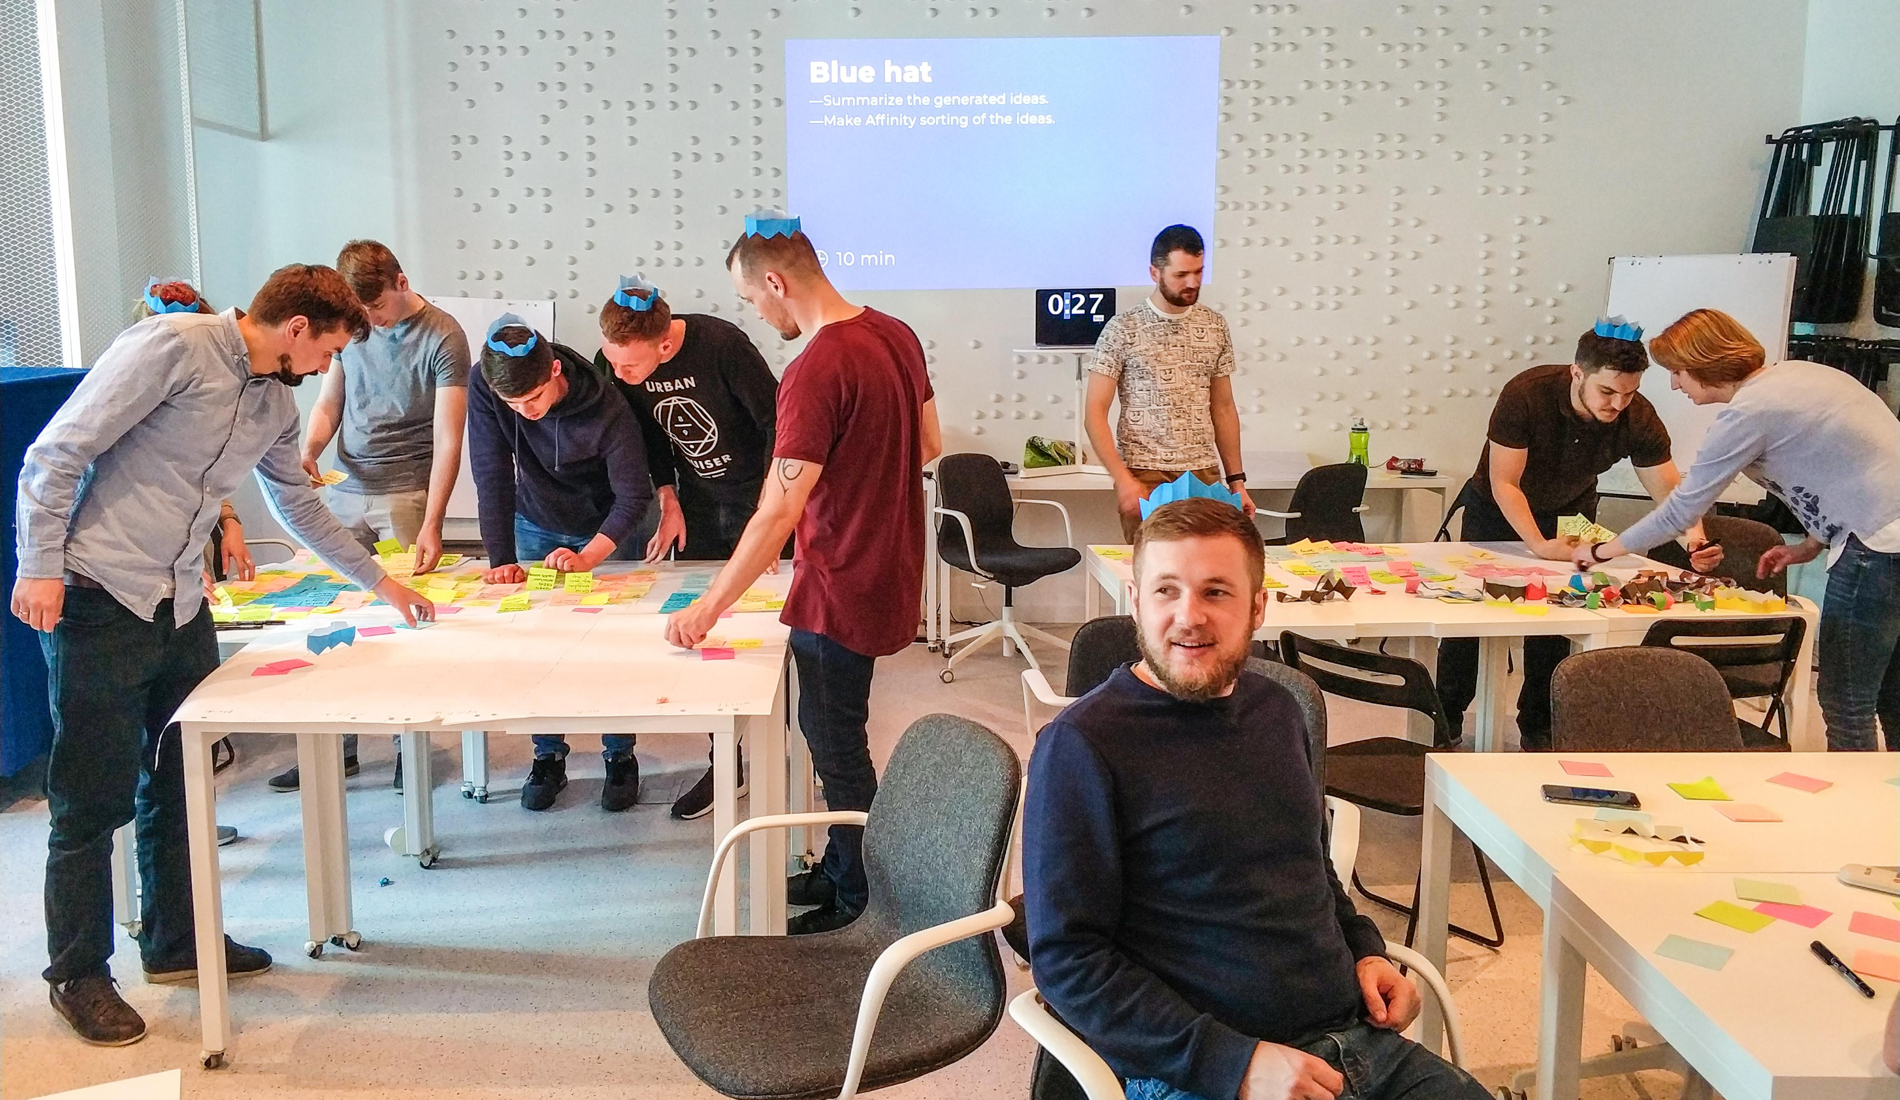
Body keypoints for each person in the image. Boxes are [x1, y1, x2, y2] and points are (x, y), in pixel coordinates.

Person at [12, 264, 435, 1047]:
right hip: (100, 594)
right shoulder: (173, 347)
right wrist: (38, 565)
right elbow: (57, 453)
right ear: (297, 328)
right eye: (326, 354)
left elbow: (297, 501)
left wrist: (382, 583)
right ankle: (78, 973)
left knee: (179, 783)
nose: (321, 374)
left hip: (179, 604)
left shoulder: (273, 398)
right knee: (89, 797)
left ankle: (175, 942)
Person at [1024, 498, 1489, 1100]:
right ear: (1136, 602)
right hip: (1202, 1068)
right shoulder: (1083, 745)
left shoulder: (1279, 711)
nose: (1188, 616)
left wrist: (1366, 953)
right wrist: (1235, 1065)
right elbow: (1067, 959)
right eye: (1166, 590)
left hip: (1352, 1039)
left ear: (1258, 607)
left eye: (1216, 592)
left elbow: (1307, 868)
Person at [663, 210, 941, 935]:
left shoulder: (814, 368)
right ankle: (843, 868)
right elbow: (930, 441)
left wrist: (708, 609)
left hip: (837, 584)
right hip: (886, 565)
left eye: (751, 297)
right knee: (831, 731)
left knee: (837, 746)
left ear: (778, 282)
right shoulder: (896, 334)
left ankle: (864, 902)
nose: (754, 310)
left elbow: (777, 514)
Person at [1572, 309, 1900, 752]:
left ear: (1704, 365)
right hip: (1883, 537)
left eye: (1677, 372)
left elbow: (1680, 510)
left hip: (1877, 550)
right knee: (1892, 695)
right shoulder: (1803, 375)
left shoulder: (1750, 412)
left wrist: (1599, 554)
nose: (1674, 385)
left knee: (1847, 702)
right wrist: (1811, 543)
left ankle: (1860, 814)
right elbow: (1854, 468)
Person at [1437, 321, 1719, 751]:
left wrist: (1694, 541)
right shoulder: (1527, 394)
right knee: (1470, 621)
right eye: (1608, 392)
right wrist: (1538, 545)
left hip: (1571, 511)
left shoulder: (1637, 416)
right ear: (1577, 374)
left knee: (1559, 618)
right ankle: (1446, 717)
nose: (1618, 404)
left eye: (1628, 393)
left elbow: (1670, 493)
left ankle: (1539, 725)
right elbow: (1505, 483)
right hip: (1497, 512)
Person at [264, 241, 470, 794]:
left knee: (410, 618)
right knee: (335, 616)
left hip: (405, 491)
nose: (370, 323)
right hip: (346, 486)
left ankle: (411, 746)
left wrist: (432, 518)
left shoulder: (444, 334)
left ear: (401, 282)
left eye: (376, 310)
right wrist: (308, 449)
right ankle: (337, 747)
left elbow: (450, 435)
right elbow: (330, 400)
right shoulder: (351, 330)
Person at [595, 274, 782, 820]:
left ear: (666, 344)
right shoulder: (619, 362)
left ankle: (793, 754)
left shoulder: (722, 346)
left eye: (629, 365)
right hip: (696, 503)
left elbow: (777, 425)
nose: (619, 374)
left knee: (772, 629)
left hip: (758, 499)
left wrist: (769, 515)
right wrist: (668, 499)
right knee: (702, 626)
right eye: (614, 362)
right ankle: (727, 762)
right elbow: (646, 434)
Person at [468, 313, 654, 810]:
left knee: (610, 646)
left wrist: (589, 554)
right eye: (513, 404)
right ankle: (547, 756)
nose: (524, 412)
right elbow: (490, 472)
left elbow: (634, 497)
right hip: (536, 520)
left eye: (532, 400)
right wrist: (501, 558)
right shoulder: (487, 384)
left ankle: (620, 756)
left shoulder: (605, 404)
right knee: (539, 646)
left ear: (554, 372)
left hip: (605, 528)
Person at [133, 280, 250, 846]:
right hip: (127, 585)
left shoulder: (217, 382)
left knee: (176, 766)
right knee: (136, 770)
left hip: (180, 579)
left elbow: (205, 469)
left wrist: (228, 522)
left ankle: (182, 930)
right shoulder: (146, 371)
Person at [1084, 224, 1253, 543]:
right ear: (1154, 272)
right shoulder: (1123, 329)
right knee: (1155, 579)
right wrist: (1122, 480)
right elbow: (1094, 412)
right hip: (1146, 476)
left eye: (1199, 272)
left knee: (1208, 573)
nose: (1192, 282)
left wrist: (1237, 482)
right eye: (1181, 274)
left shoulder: (1214, 326)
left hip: (1204, 475)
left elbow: (1224, 408)